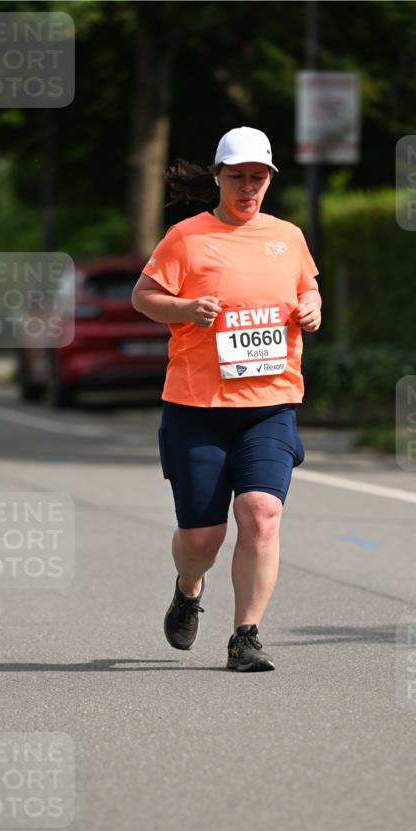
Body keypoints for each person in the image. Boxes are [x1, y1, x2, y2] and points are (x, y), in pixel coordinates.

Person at [131, 126, 321, 673]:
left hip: (270, 402)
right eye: (237, 177)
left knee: (261, 513)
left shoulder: (288, 236)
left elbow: (307, 288)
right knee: (202, 536)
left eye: (258, 177)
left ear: (269, 180)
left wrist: (312, 309)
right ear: (218, 177)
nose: (248, 187)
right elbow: (145, 296)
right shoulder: (186, 238)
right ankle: (189, 589)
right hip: (197, 408)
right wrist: (187, 309)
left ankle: (246, 636)